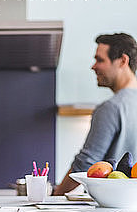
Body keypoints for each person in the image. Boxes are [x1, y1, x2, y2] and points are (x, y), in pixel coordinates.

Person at [54, 33, 137, 195]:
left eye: (100, 60)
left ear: (122, 61)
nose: (93, 66)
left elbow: (85, 163)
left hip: (111, 207)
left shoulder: (111, 108)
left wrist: (54, 198)